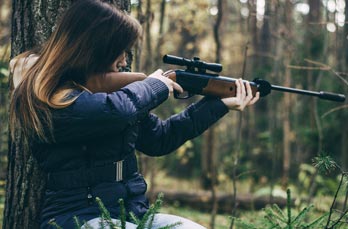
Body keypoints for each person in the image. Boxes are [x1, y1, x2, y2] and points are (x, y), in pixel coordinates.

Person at [9, 0, 260, 228]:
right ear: (95, 49)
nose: (124, 60)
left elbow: (160, 139)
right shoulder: (47, 97)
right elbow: (115, 111)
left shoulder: (118, 97)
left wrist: (219, 104)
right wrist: (155, 86)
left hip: (132, 213)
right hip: (76, 219)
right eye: (119, 50)